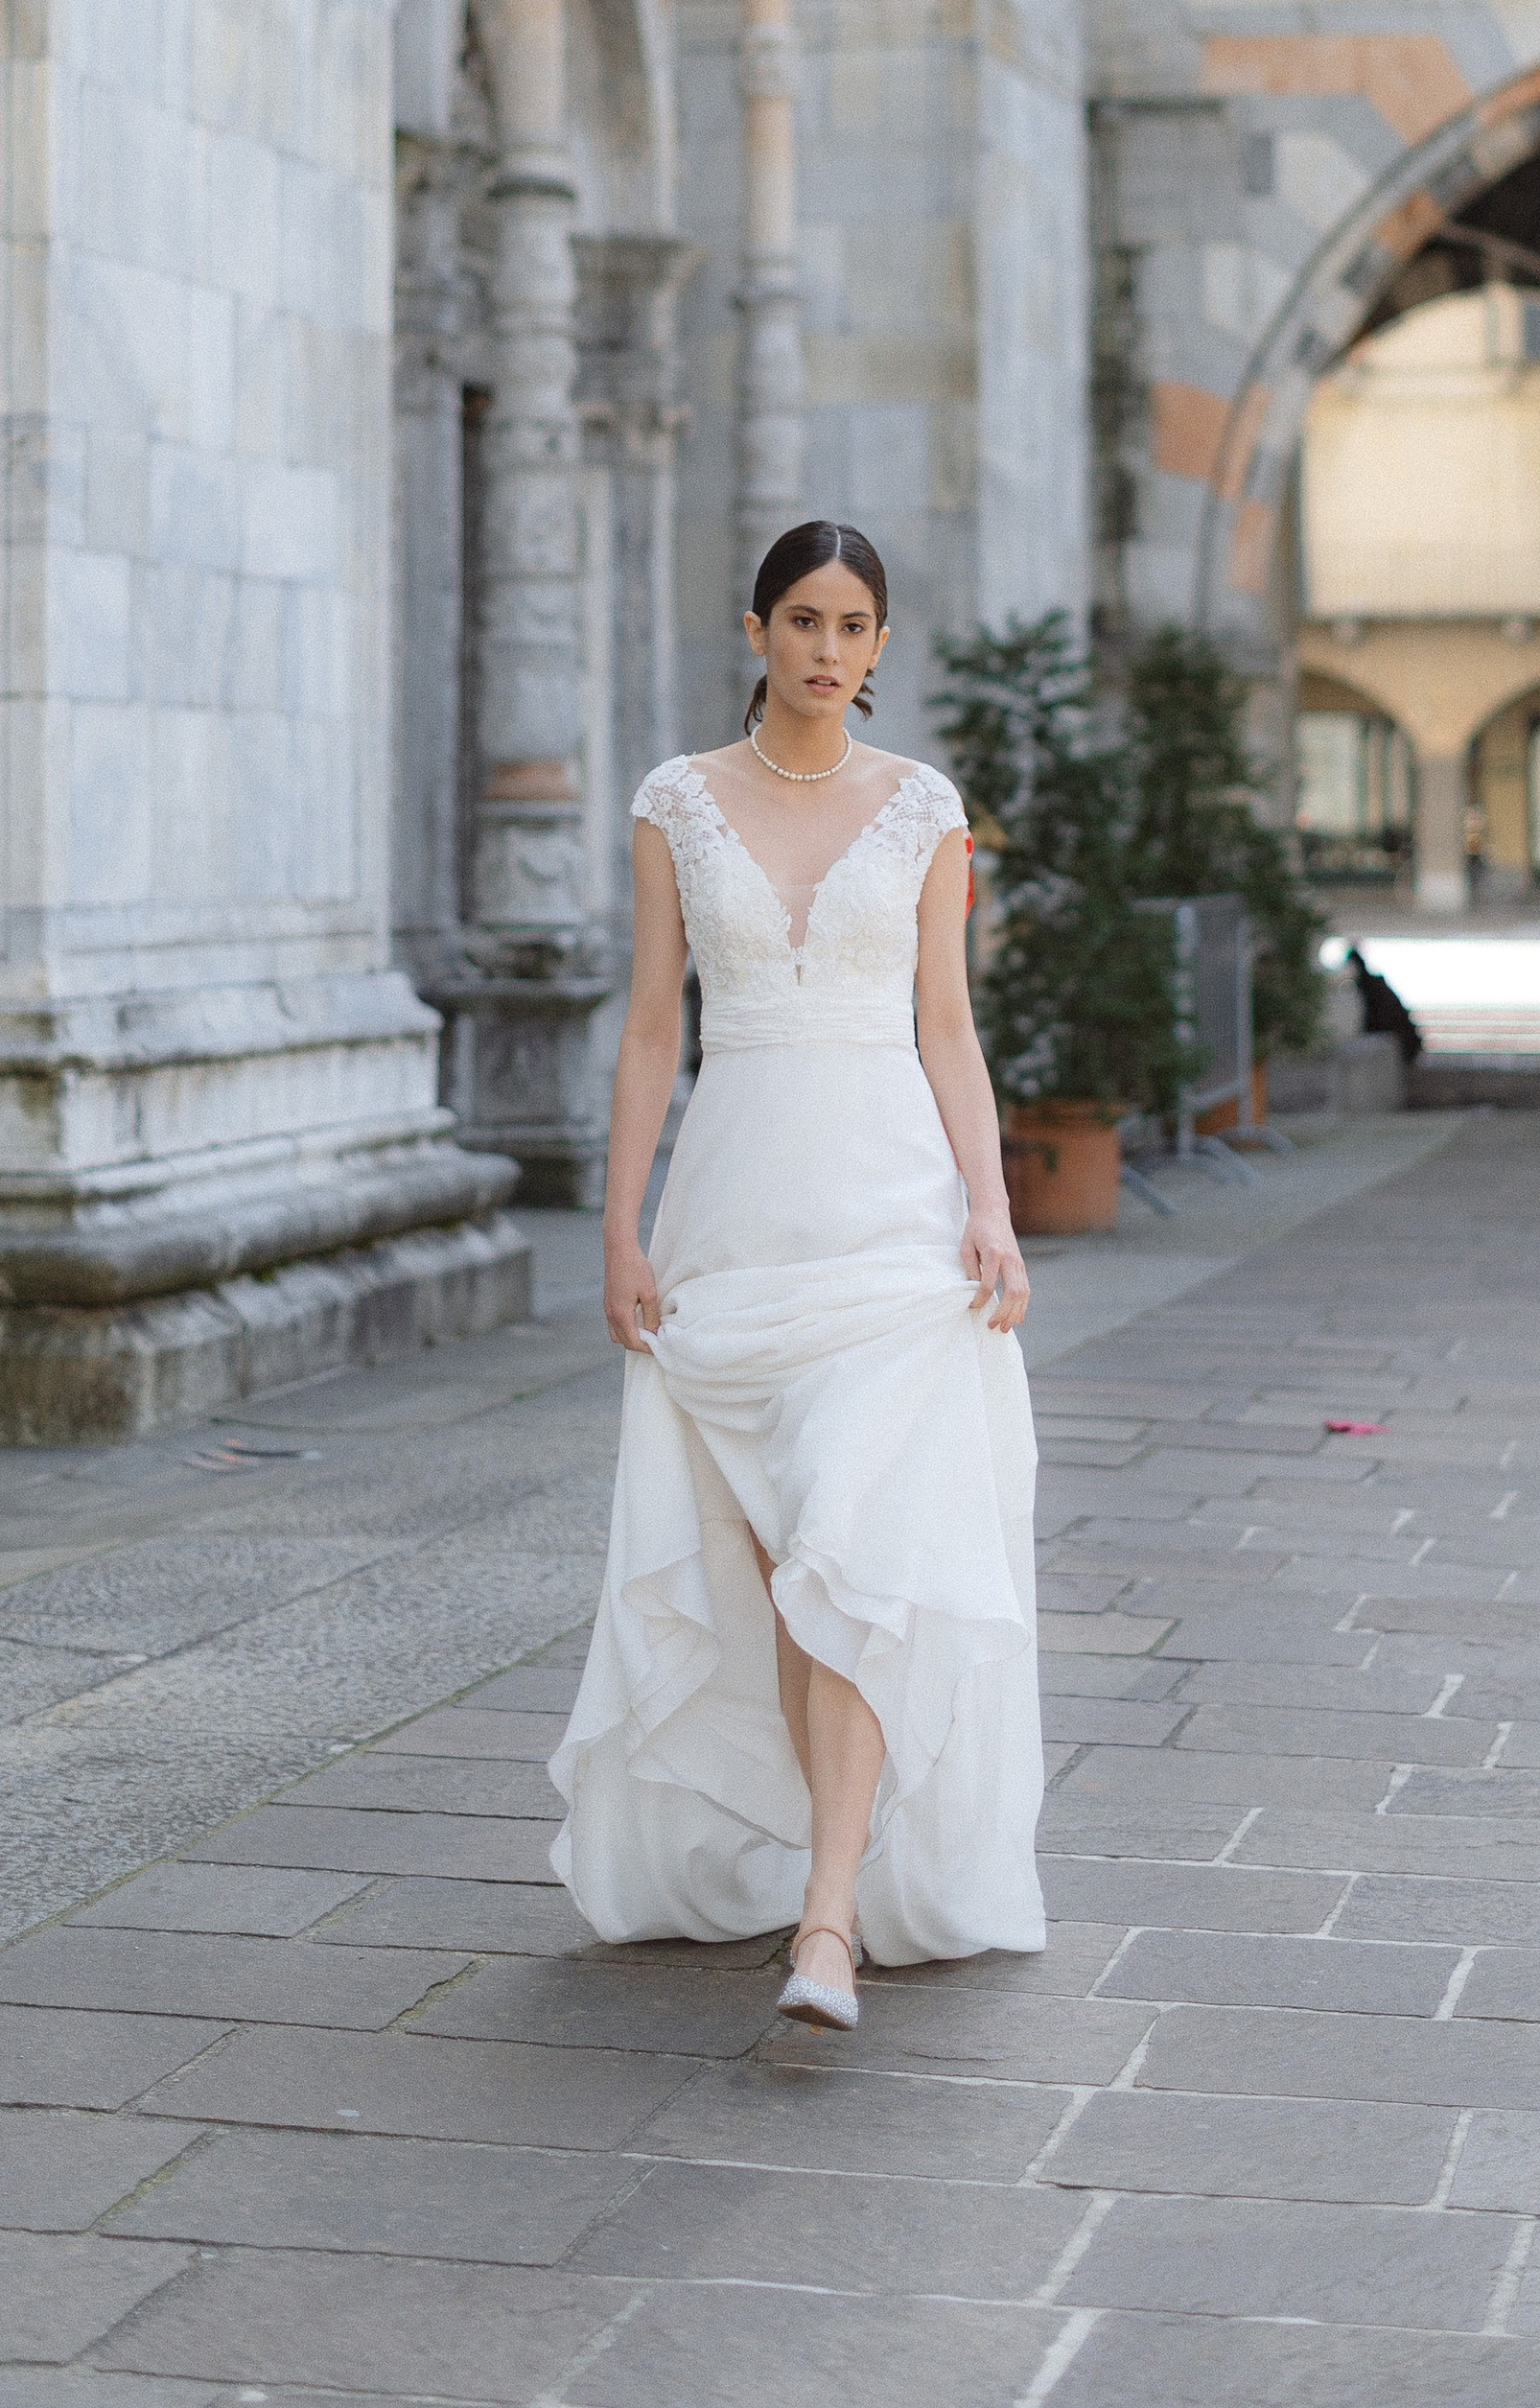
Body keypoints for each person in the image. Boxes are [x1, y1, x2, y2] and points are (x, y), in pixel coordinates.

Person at [549, 520, 1042, 2028]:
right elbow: (651, 1032)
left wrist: (992, 1206)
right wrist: (620, 1226)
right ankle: (829, 1868)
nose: (829, 649)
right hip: (733, 1221)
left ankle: (828, 1919)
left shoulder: (926, 812)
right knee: (786, 1582)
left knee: (854, 1550)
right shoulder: (677, 805)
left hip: (891, 1223)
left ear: (882, 648)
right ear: (755, 628)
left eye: (856, 626)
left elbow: (947, 1029)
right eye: (805, 620)